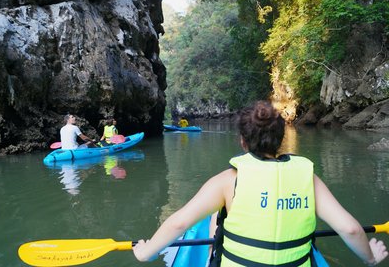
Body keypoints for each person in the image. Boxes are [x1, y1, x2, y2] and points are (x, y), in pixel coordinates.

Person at [133, 101, 388, 266]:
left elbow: (178, 223)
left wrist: (147, 252)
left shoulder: (226, 181)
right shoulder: (307, 177)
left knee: (215, 219)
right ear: (280, 138)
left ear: (242, 141)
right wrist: (371, 258)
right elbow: (351, 229)